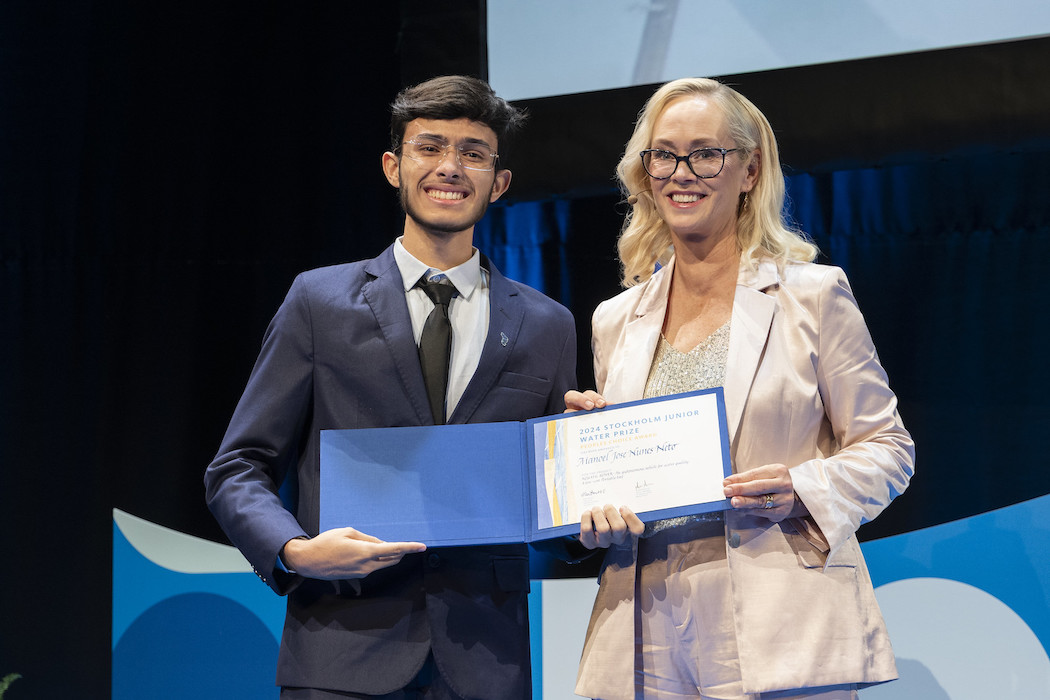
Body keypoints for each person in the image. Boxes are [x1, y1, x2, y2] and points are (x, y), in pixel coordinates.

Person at [204, 75, 577, 700]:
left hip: (487, 664)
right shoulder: (318, 302)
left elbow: (558, 506)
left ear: (500, 182)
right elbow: (238, 466)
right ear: (393, 166)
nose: (450, 168)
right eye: (429, 147)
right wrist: (295, 549)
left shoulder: (546, 324)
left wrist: (595, 496)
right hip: (341, 652)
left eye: (473, 153)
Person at [565, 77, 915, 700]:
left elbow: (888, 448)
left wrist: (802, 487)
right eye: (663, 154)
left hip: (779, 617)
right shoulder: (615, 319)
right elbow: (623, 483)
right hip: (644, 629)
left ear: (749, 169)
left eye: (705, 153)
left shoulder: (812, 295)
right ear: (644, 173)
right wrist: (588, 486)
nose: (682, 172)